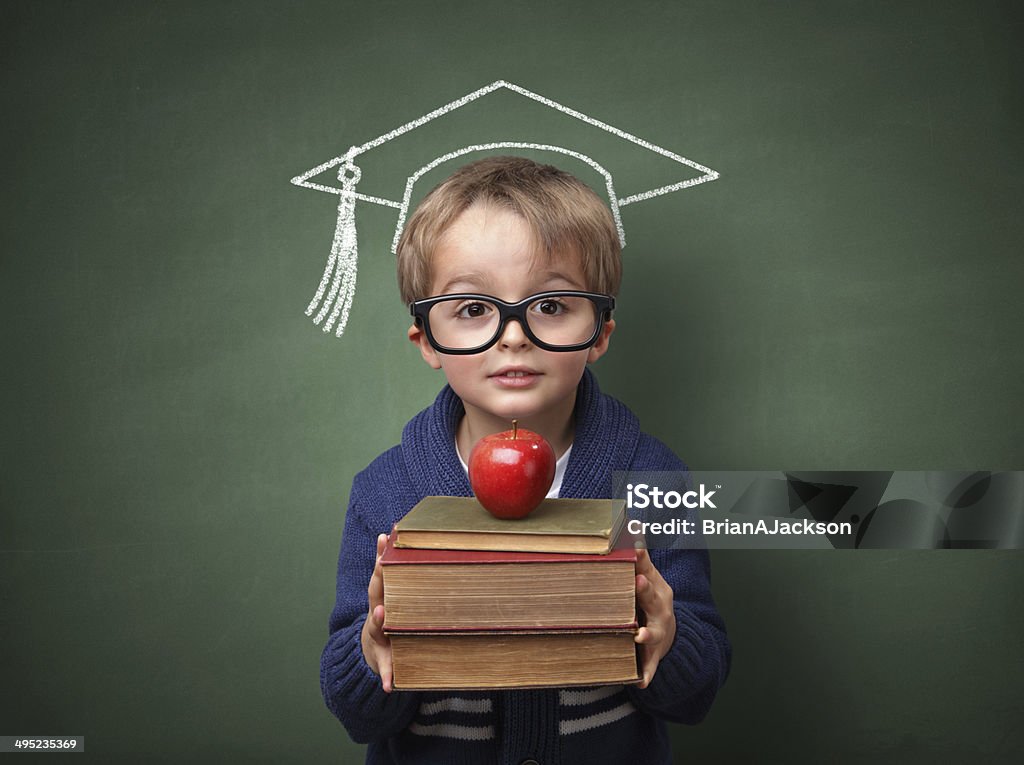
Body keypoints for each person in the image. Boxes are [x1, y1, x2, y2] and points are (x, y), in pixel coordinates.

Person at [321, 156, 731, 764]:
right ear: (427, 340)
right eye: (472, 309)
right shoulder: (386, 490)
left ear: (600, 332)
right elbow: (356, 713)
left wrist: (665, 639)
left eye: (549, 306)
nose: (514, 335)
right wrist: (374, 649)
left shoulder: (653, 479)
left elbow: (694, 697)